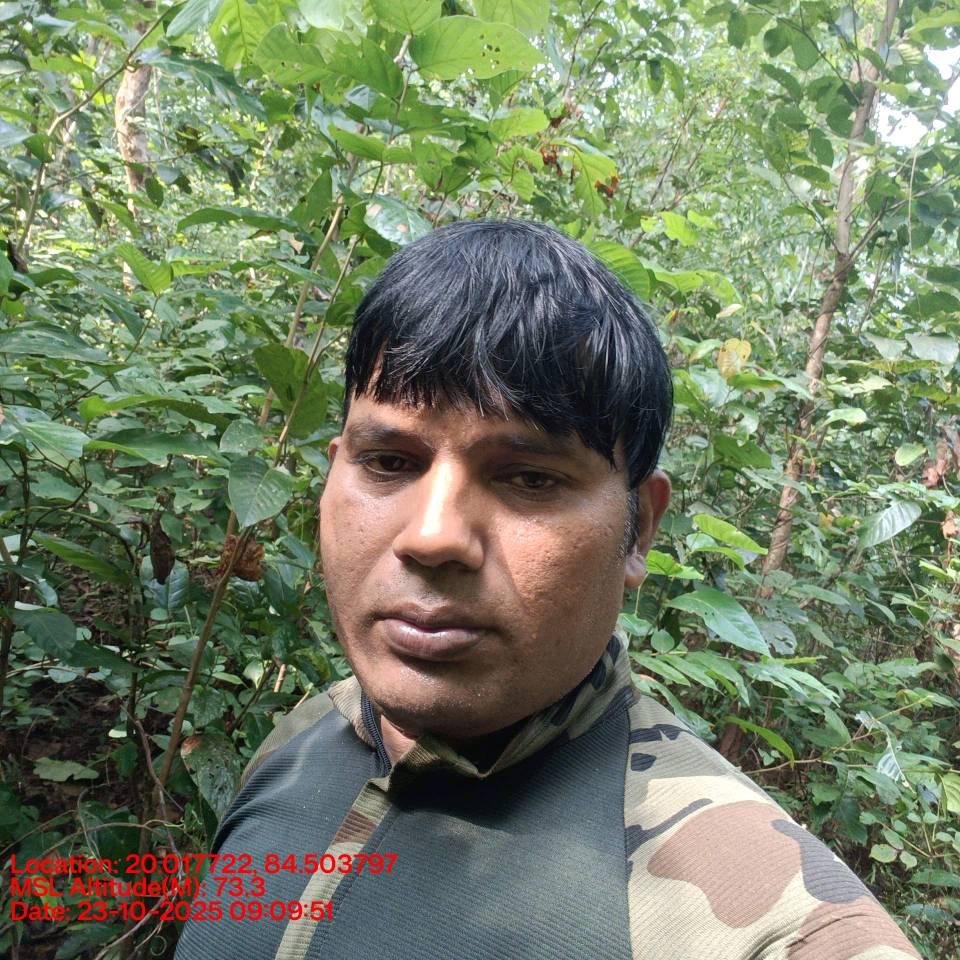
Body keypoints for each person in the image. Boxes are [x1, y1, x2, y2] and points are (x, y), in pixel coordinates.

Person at [174, 219, 919, 959]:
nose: (432, 536)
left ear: (638, 529)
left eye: (530, 478)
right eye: (389, 462)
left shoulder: (777, 927)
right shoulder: (304, 740)